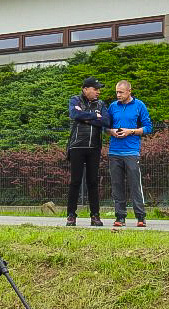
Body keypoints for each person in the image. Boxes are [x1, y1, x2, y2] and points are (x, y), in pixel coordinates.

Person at [66, 76, 111, 227]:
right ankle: (71, 215)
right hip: (77, 146)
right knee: (75, 181)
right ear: (85, 89)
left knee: (93, 182)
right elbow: (74, 115)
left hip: (94, 148)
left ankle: (95, 216)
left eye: (99, 89)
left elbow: (105, 121)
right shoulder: (75, 100)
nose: (98, 92)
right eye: (95, 89)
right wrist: (94, 116)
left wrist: (86, 118)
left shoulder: (101, 104)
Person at [107, 80, 152, 227]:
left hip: (132, 151)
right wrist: (111, 131)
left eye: (121, 92)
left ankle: (140, 216)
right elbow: (105, 127)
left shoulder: (140, 106)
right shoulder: (113, 106)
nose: (118, 95)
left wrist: (130, 131)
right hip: (114, 152)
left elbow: (148, 128)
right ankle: (120, 217)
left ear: (129, 91)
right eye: (116, 92)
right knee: (117, 185)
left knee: (135, 185)